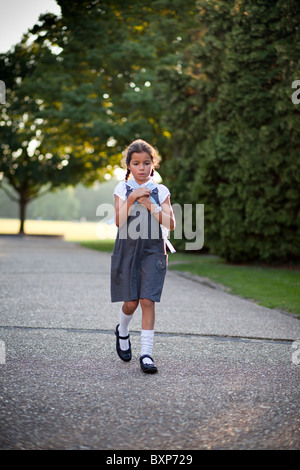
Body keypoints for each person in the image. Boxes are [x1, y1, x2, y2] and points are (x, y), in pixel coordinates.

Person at [110, 139, 175, 374]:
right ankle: (123, 331)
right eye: (136, 163)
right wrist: (132, 197)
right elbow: (118, 221)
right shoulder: (122, 188)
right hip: (128, 250)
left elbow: (171, 223)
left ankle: (146, 354)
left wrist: (150, 204)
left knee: (147, 300)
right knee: (131, 302)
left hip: (153, 251)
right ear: (128, 166)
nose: (141, 168)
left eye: (146, 163)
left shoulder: (161, 190)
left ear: (153, 165)